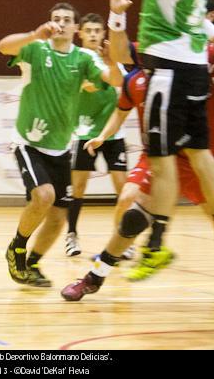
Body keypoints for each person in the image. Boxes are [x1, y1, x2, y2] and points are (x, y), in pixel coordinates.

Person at [62, 0, 214, 298]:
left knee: (162, 162)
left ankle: (156, 243)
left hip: (169, 72)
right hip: (194, 72)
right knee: (198, 151)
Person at [61, 0, 214, 301]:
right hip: (174, 157)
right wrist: (116, 18)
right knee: (131, 211)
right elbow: (122, 52)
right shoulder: (164, 46)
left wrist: (206, 28)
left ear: (205, 13)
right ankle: (95, 276)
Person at [0, 3, 122, 287]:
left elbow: (114, 80)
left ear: (75, 29)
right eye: (56, 19)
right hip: (29, 141)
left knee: (57, 219)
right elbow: (3, 46)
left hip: (60, 146)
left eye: (67, 20)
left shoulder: (83, 59)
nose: (61, 23)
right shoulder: (35, 49)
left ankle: (32, 265)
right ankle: (16, 248)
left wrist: (112, 59)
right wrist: (34, 34)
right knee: (43, 195)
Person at [66, 13, 129, 257]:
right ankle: (71, 234)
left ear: (104, 34)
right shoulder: (77, 59)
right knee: (78, 188)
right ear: (80, 33)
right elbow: (88, 85)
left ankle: (122, 239)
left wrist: (112, 65)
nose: (93, 34)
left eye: (97, 30)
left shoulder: (113, 59)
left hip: (113, 134)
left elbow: (121, 82)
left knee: (123, 188)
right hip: (84, 133)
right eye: (88, 30)